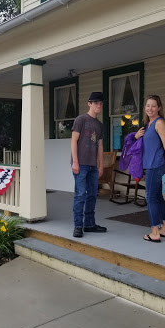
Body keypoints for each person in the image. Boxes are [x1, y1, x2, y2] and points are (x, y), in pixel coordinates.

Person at [135, 95, 165, 242]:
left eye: (153, 106)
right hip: (150, 165)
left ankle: (155, 232)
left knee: (150, 197)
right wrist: (137, 136)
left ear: (159, 108)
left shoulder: (159, 123)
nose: (150, 108)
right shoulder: (148, 124)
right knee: (157, 197)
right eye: (147, 105)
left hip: (156, 165)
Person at [71, 92, 107, 238]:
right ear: (89, 103)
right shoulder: (81, 120)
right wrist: (75, 161)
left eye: (101, 103)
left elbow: (100, 145)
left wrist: (101, 165)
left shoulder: (99, 125)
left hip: (93, 166)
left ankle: (89, 224)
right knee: (80, 195)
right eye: (96, 103)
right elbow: (73, 140)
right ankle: (78, 226)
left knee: (92, 194)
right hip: (81, 164)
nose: (99, 105)